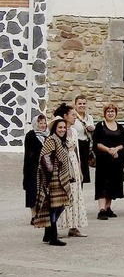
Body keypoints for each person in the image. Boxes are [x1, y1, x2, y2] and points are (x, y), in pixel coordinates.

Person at [31, 117, 74, 246]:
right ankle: (53, 237)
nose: (62, 130)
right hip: (54, 178)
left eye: (64, 128)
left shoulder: (61, 141)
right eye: (59, 127)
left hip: (60, 178)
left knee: (59, 205)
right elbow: (45, 157)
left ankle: (48, 233)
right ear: (55, 128)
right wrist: (49, 175)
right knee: (54, 207)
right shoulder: (51, 140)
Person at [55, 104, 87, 238]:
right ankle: (57, 226)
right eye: (73, 115)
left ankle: (74, 226)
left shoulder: (73, 131)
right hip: (63, 163)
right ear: (65, 116)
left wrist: (79, 168)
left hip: (73, 162)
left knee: (76, 194)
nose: (75, 118)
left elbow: (76, 150)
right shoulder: (58, 131)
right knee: (63, 195)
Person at [92, 103, 124, 219]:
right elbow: (97, 143)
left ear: (116, 113)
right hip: (103, 161)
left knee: (113, 183)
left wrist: (117, 149)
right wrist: (109, 150)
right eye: (108, 111)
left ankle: (108, 208)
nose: (110, 113)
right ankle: (101, 210)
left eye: (112, 111)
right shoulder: (100, 126)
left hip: (116, 161)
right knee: (102, 184)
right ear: (104, 113)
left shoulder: (120, 127)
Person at [23, 113, 47, 209]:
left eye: (44, 123)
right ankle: (33, 215)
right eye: (40, 123)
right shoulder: (31, 135)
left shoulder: (47, 135)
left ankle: (42, 214)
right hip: (33, 168)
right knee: (33, 191)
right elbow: (29, 154)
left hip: (45, 168)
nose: (43, 125)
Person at [72, 95, 95, 185]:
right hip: (76, 146)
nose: (82, 105)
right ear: (75, 105)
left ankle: (80, 195)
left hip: (86, 147)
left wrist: (92, 129)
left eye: (84, 103)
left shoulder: (89, 118)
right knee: (76, 173)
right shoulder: (73, 117)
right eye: (80, 104)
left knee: (83, 175)